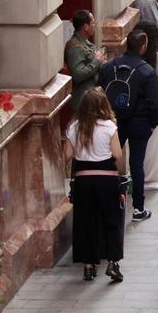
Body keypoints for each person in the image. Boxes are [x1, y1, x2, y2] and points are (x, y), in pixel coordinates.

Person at [97, 28, 158, 221]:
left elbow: (100, 92)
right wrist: (153, 124)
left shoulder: (109, 67)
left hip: (114, 121)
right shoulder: (146, 71)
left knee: (108, 161)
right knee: (136, 165)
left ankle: (107, 203)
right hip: (139, 123)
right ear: (143, 47)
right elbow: (155, 103)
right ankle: (138, 208)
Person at [65, 88, 125, 283]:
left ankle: (89, 265)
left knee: (85, 222)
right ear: (102, 105)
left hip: (83, 180)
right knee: (111, 220)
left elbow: (67, 156)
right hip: (107, 179)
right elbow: (117, 155)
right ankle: (113, 262)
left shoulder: (74, 128)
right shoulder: (109, 127)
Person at [136, 21, 158, 192]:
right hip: (155, 100)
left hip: (135, 102)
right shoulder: (154, 57)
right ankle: (151, 178)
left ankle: (138, 175)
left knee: (138, 142)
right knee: (155, 142)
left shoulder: (129, 56)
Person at [65, 9, 102, 114]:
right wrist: (97, 61)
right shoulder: (75, 48)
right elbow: (78, 74)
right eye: (93, 23)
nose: (94, 25)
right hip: (83, 101)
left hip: (92, 97)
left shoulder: (85, 43)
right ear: (86, 27)